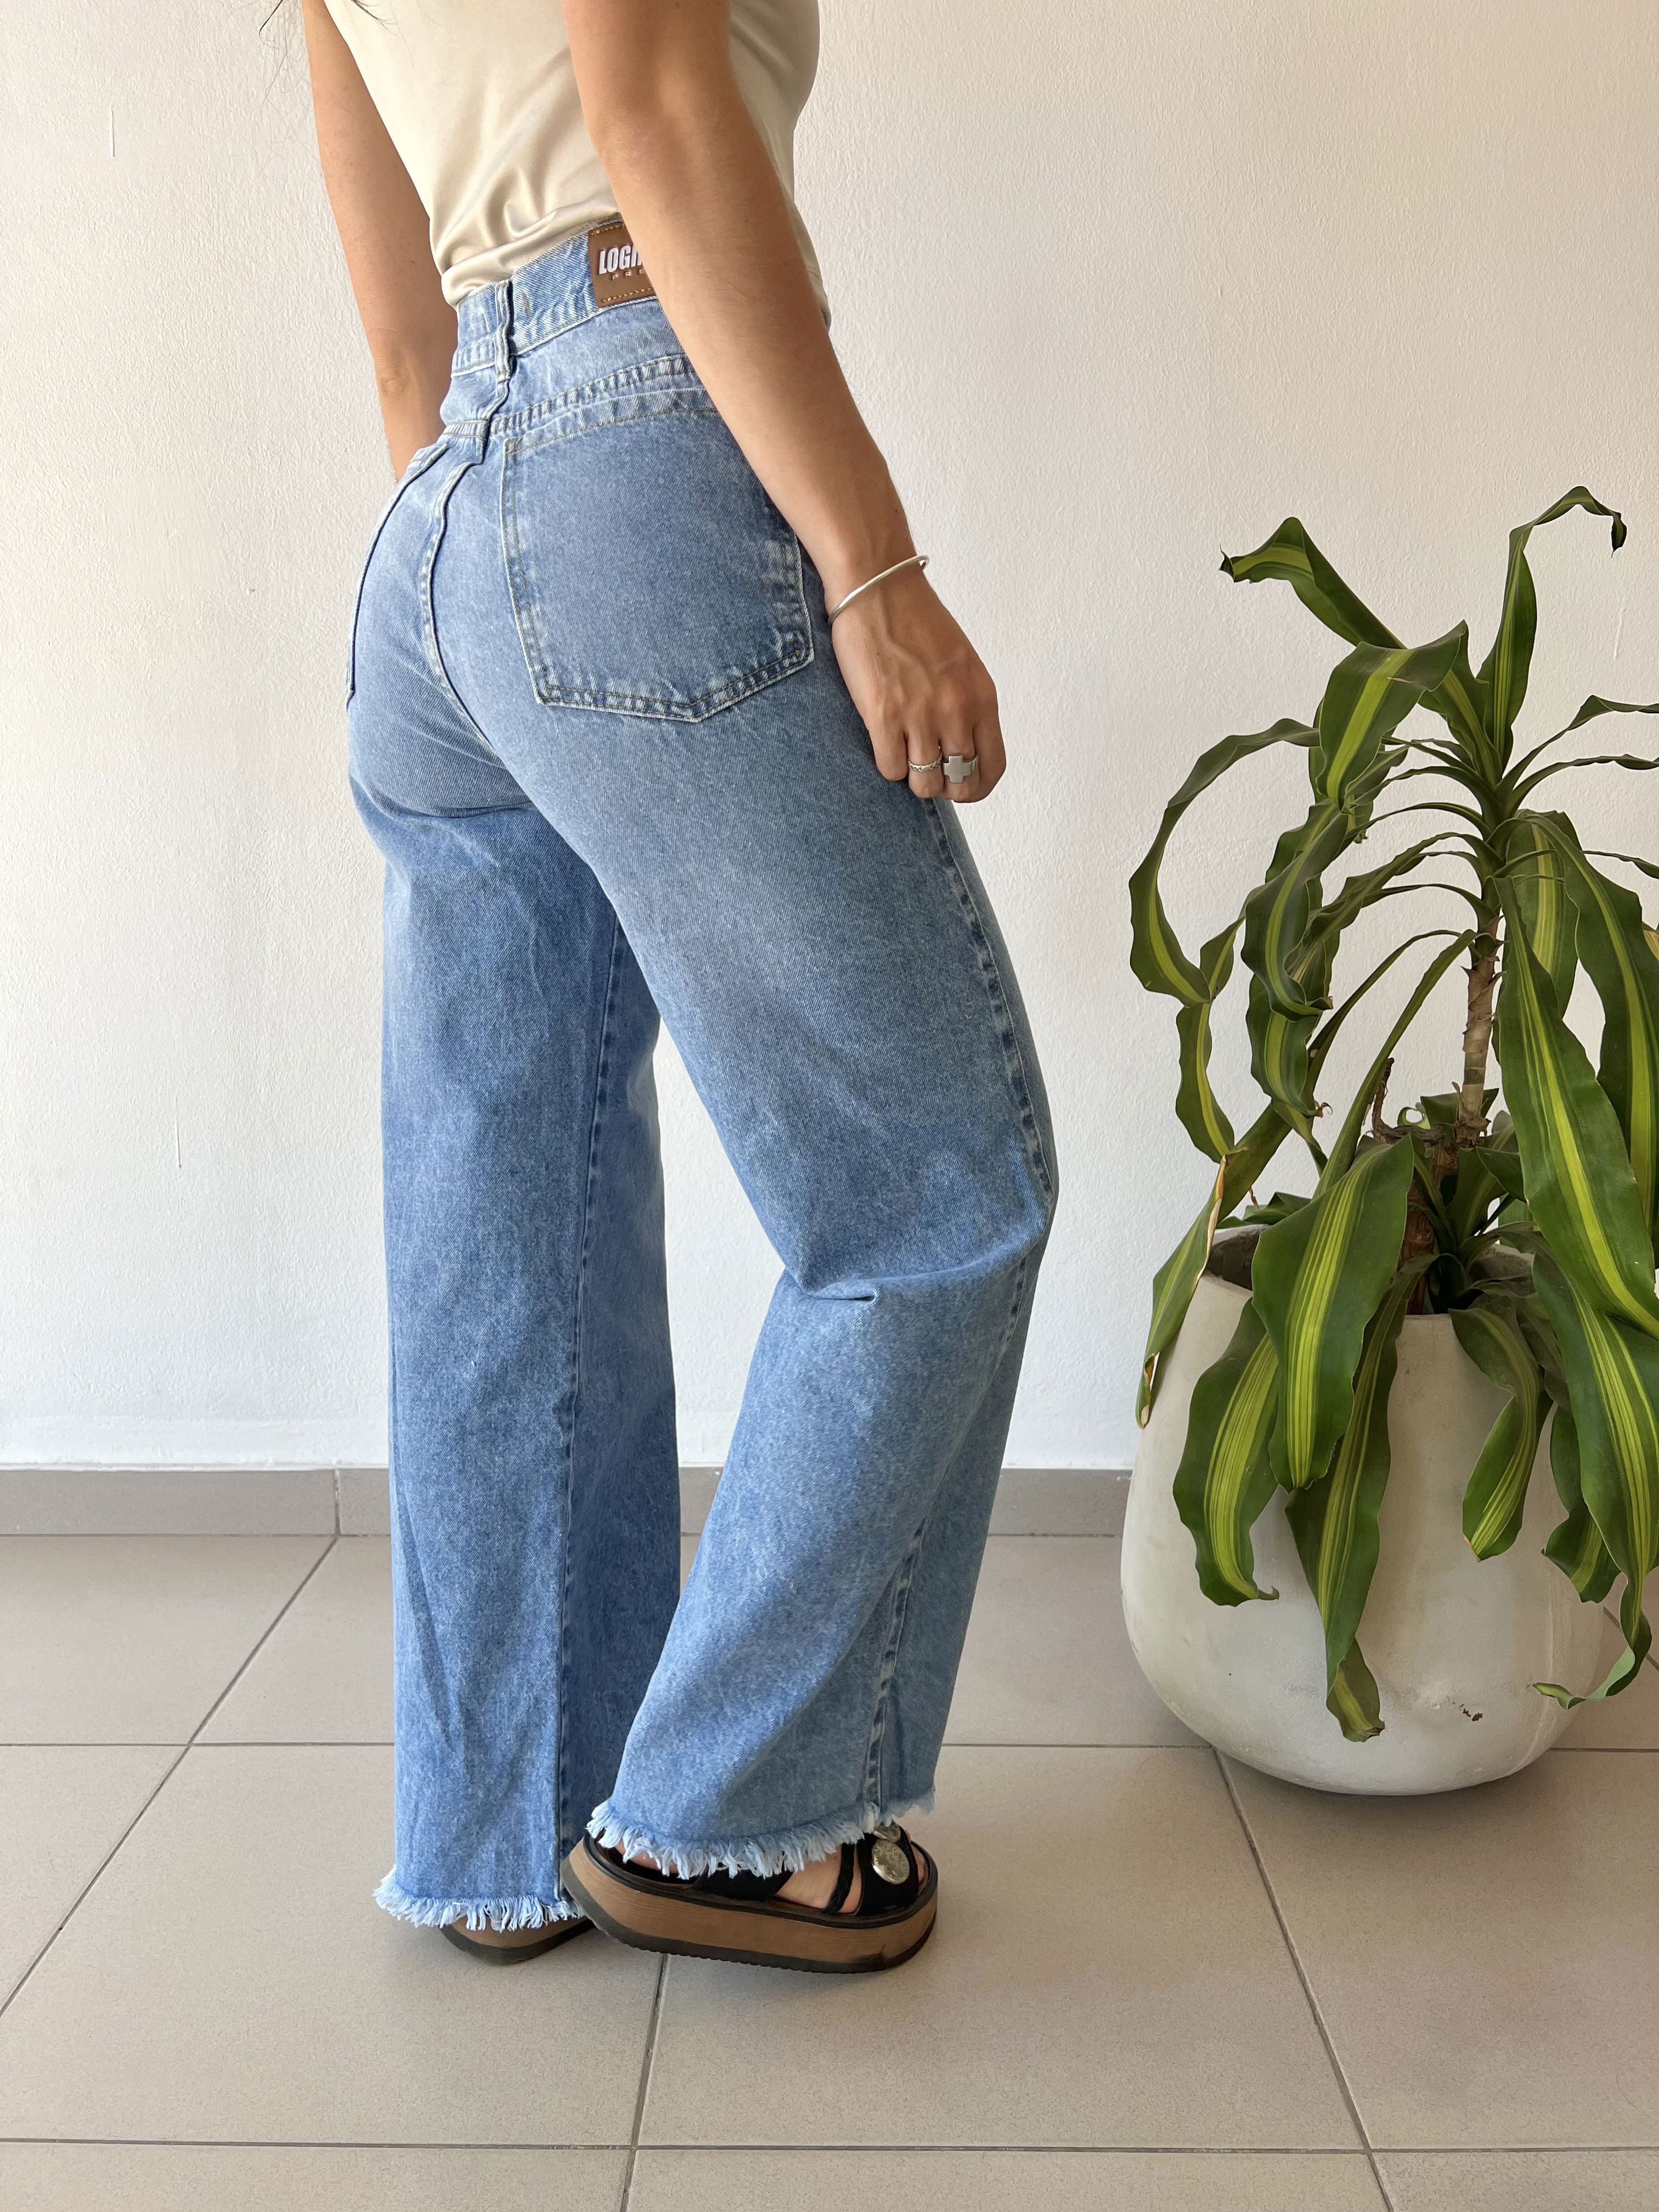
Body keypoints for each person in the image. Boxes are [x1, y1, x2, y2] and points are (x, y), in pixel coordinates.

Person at [298, 0, 1057, 1974]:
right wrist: (873, 570)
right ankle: (735, 1816)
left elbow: (398, 323)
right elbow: (641, 100)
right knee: (932, 1183)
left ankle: (512, 1831)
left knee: (508, 1211)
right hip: (636, 432)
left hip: (435, 535)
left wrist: (490, 551)